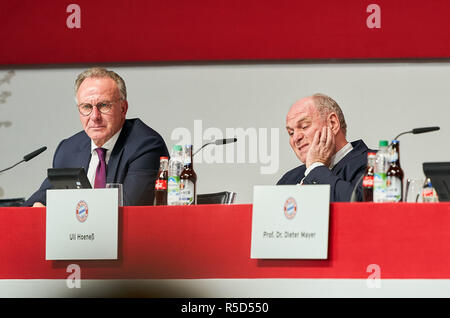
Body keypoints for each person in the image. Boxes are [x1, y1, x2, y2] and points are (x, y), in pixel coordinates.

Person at [24, 67, 169, 206]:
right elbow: (36, 202)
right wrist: (38, 208)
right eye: (86, 107)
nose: (95, 116)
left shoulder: (146, 146)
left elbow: (128, 209)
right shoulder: (68, 149)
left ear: (123, 108)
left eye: (104, 105)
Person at [277, 93, 371, 202]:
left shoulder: (377, 166)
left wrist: (316, 168)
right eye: (291, 132)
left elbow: (360, 208)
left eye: (304, 126)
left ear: (332, 123)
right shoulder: (288, 180)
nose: (296, 138)